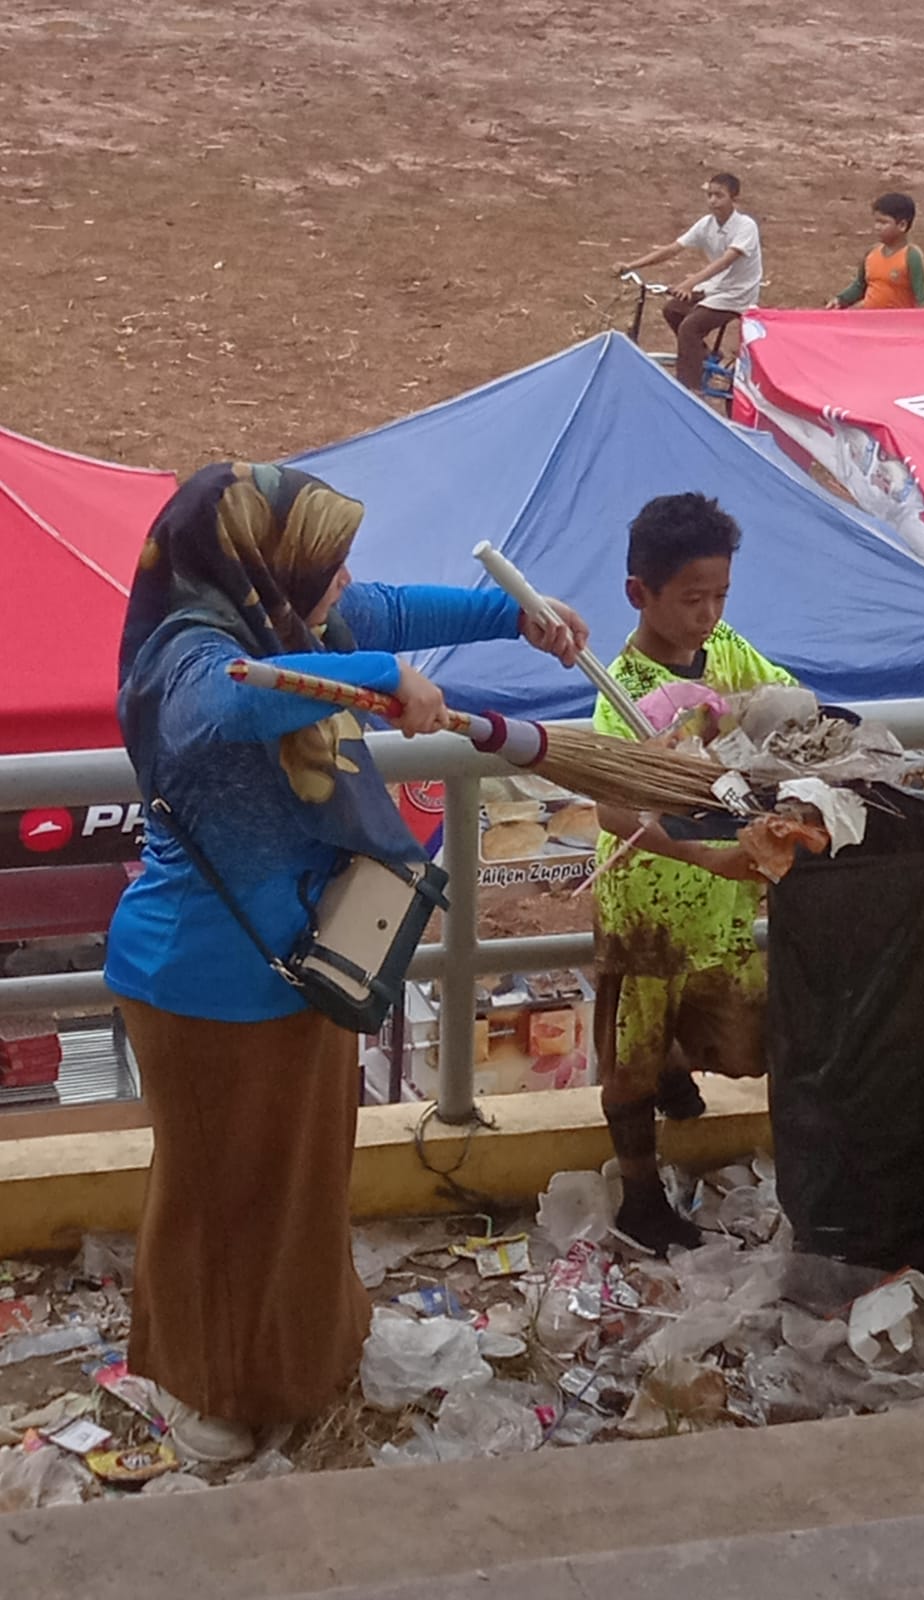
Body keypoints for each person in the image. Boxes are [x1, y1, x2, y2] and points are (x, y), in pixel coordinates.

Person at [105, 461, 587, 1461]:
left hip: (309, 962)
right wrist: (381, 681)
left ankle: (302, 1357)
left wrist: (520, 616)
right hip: (201, 981)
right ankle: (205, 1387)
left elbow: (394, 609)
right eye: (328, 564)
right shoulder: (187, 656)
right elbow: (233, 707)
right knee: (219, 1197)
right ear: (257, 562)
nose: (345, 584)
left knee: (300, 1186)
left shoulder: (292, 615)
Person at [592, 493, 794, 1255]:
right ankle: (640, 1196)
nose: (708, 615)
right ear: (638, 593)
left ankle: (678, 1065)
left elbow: (777, 700)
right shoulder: (623, 691)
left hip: (723, 899)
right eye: (691, 599)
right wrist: (703, 853)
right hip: (649, 904)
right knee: (631, 1057)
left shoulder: (728, 649)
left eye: (720, 596)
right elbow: (615, 810)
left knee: (740, 1037)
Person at [615, 173, 762, 393]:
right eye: (709, 195)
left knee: (690, 328)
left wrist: (689, 283)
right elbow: (672, 249)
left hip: (737, 295)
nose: (712, 201)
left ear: (734, 199)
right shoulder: (706, 224)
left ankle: (689, 390)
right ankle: (701, 354)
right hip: (715, 288)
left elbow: (725, 261)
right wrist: (631, 265)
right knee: (672, 310)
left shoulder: (745, 226)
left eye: (719, 196)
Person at [825, 192, 924, 310]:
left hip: (897, 320)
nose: (877, 227)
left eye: (883, 223)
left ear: (902, 225)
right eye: (876, 222)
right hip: (867, 318)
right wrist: (840, 300)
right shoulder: (872, 253)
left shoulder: (911, 256)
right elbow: (860, 286)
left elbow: (920, 298)